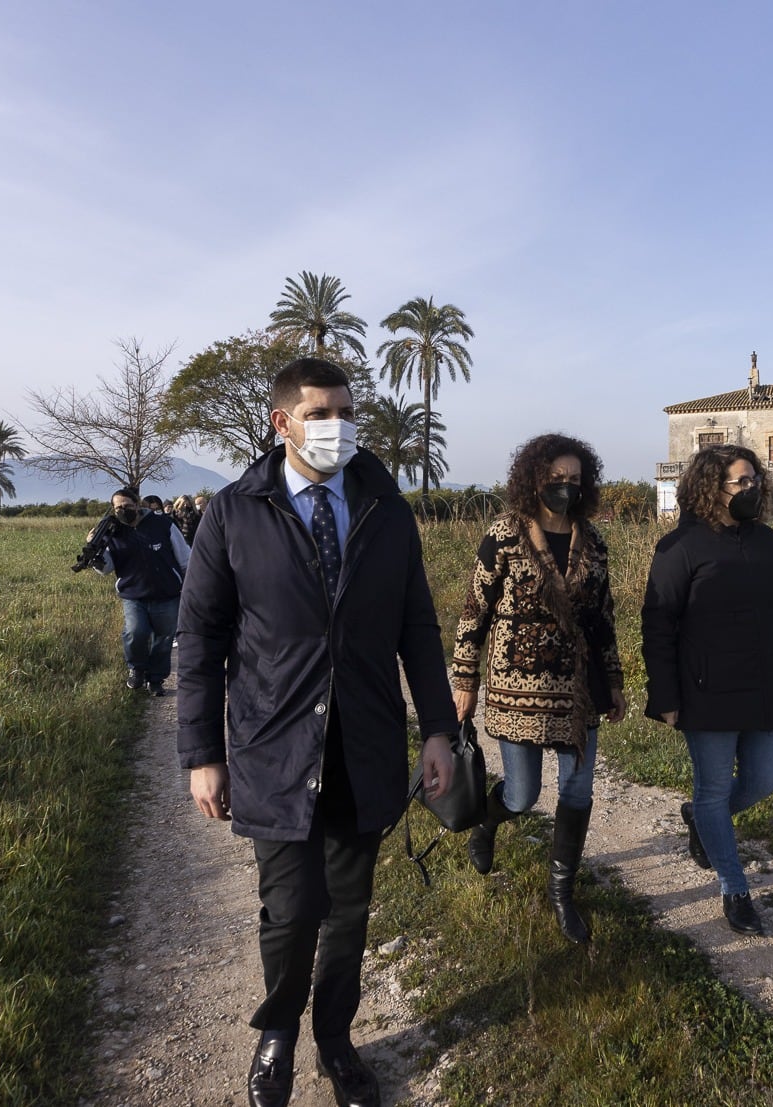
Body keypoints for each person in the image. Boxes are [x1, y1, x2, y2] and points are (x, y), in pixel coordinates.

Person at [177, 356, 459, 1107]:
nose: (339, 426)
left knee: (349, 908)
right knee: (290, 908)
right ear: (282, 423)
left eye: (345, 411)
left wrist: (438, 728)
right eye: (321, 413)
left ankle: (336, 1037)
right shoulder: (235, 512)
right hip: (273, 744)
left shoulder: (383, 507)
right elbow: (199, 640)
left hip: (362, 743)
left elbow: (417, 627)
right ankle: (278, 1032)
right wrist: (202, 753)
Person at [640, 443, 773, 936]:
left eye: (754, 481)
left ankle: (700, 817)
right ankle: (734, 887)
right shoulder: (679, 548)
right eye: (741, 482)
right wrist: (667, 697)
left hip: (767, 684)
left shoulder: (766, 541)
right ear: (711, 490)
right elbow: (658, 626)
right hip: (708, 690)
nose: (752, 489)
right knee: (715, 788)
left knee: (764, 781)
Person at [449, 434, 626, 944]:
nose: (565, 488)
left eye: (574, 480)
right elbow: (473, 612)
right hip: (514, 686)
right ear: (533, 480)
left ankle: (562, 894)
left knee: (577, 790)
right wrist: (464, 679)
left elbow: (603, 617)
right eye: (555, 479)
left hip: (578, 690)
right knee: (524, 795)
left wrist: (614, 680)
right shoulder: (503, 534)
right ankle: (487, 820)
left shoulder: (593, 542)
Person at [87, 486, 189, 696]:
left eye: (127, 506)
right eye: (118, 508)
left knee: (164, 638)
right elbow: (106, 568)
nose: (123, 511)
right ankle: (137, 669)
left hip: (167, 593)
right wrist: (93, 549)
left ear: (138, 504)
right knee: (135, 632)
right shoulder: (112, 532)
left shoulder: (163, 524)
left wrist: (190, 586)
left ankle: (156, 679)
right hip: (133, 594)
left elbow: (185, 557)